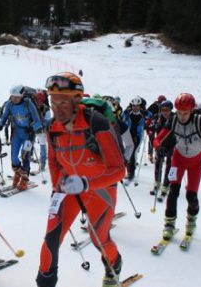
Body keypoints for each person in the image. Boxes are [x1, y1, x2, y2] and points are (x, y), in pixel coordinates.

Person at [37, 72, 126, 287]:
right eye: (53, 102)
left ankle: (114, 264)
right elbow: (53, 159)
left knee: (99, 239)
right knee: (51, 238)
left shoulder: (97, 122)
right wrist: (58, 183)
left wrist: (87, 184)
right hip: (68, 187)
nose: (57, 108)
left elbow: (118, 170)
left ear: (77, 99)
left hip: (100, 188)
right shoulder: (52, 127)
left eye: (63, 102)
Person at [153, 93, 201, 242]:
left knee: (191, 195)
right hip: (178, 159)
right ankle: (169, 224)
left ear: (192, 111)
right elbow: (157, 139)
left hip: (196, 162)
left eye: (186, 113)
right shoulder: (173, 120)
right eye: (180, 112)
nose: (182, 116)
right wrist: (159, 148)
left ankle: (191, 220)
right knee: (173, 191)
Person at [0, 85, 42, 190]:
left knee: (24, 155)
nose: (14, 99)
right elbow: (4, 116)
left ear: (22, 96)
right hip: (17, 132)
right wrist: (0, 125)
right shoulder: (10, 104)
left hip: (28, 134)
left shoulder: (28, 104)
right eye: (12, 96)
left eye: (17, 97)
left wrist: (35, 128)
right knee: (14, 157)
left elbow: (36, 119)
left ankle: (24, 179)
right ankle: (18, 173)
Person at [121, 96, 152, 183]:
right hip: (128, 135)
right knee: (127, 152)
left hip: (138, 136)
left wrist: (147, 114)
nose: (135, 107)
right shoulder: (128, 113)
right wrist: (125, 112)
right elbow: (121, 117)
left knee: (132, 152)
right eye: (133, 105)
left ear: (140, 106)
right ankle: (128, 171)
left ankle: (131, 172)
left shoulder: (143, 113)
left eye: (137, 105)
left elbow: (151, 117)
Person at [151, 100, 174, 199]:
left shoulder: (174, 119)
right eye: (163, 110)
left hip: (173, 145)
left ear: (171, 110)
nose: (165, 112)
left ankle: (165, 186)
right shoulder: (158, 118)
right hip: (161, 145)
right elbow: (154, 131)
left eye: (167, 110)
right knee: (158, 163)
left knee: (169, 165)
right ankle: (157, 182)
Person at [146, 95, 167, 163]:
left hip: (160, 126)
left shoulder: (164, 107)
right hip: (152, 125)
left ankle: (158, 155)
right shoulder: (154, 105)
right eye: (160, 101)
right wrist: (150, 119)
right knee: (152, 139)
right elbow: (148, 113)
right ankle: (150, 154)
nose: (161, 103)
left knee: (159, 140)